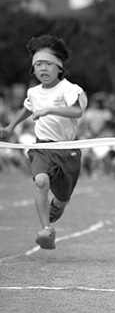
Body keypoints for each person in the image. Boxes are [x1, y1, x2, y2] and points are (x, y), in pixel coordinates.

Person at [0, 35, 88, 250]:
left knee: (62, 198)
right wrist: (10, 128)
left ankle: (58, 206)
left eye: (48, 64)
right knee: (40, 181)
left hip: (67, 150)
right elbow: (28, 108)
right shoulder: (33, 92)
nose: (42, 69)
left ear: (59, 67)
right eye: (38, 64)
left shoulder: (70, 89)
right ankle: (46, 230)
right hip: (42, 147)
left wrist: (49, 109)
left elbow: (77, 111)